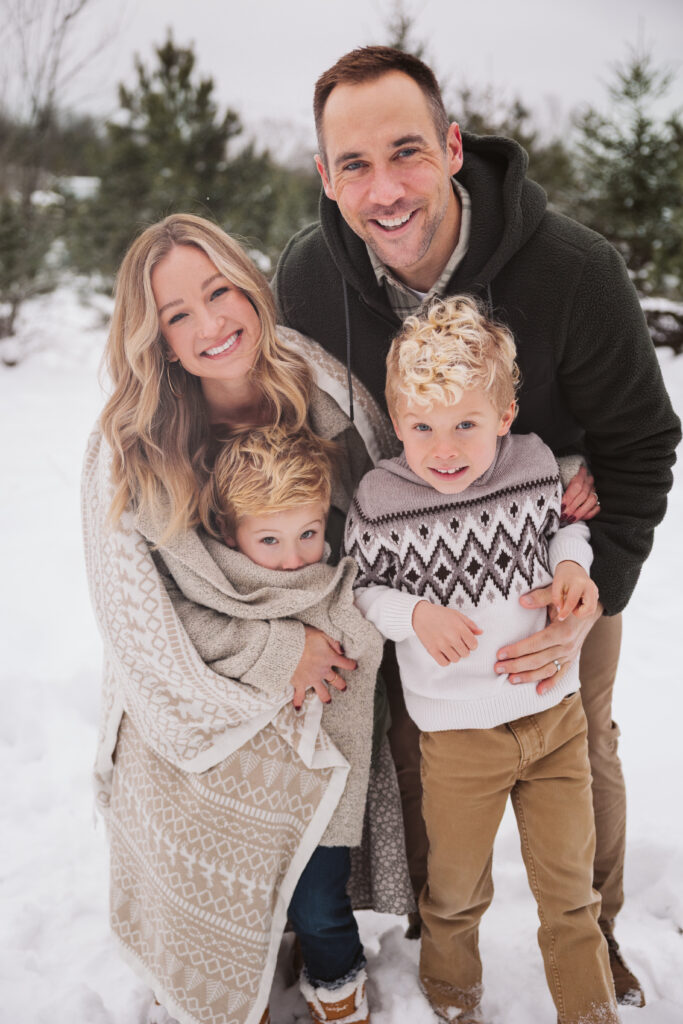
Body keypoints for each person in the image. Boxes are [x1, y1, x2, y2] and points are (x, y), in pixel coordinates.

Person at [273, 45, 681, 1003]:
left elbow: (641, 441)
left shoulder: (573, 271)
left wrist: (594, 586)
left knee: (580, 742)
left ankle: (599, 929)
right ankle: (433, 927)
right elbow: (297, 436)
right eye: (355, 165)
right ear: (325, 179)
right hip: (403, 575)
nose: (385, 190)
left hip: (551, 564)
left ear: (453, 148)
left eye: (406, 151)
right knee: (417, 747)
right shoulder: (306, 281)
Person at [82, 213, 412, 1024]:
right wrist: (272, 653)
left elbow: (390, 515)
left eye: (218, 291)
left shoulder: (322, 390)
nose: (210, 324)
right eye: (176, 314)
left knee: (314, 864)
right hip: (197, 679)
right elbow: (133, 621)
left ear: (250, 288)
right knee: (204, 830)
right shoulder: (128, 444)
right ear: (153, 337)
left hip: (329, 661)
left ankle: (322, 952)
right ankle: (222, 977)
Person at [344, 295, 619, 1023]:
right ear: (396, 423)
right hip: (456, 737)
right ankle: (451, 994)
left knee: (569, 890)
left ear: (503, 416)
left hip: (553, 718)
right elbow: (363, 590)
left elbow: (564, 529)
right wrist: (415, 614)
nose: (444, 448)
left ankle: (589, 1007)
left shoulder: (531, 465)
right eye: (421, 427)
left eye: (466, 424)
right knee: (458, 888)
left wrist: (572, 567)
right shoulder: (379, 498)